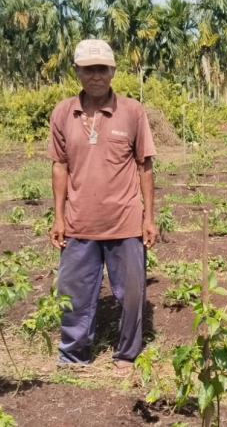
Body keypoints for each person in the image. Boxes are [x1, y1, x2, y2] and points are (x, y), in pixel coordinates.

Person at [48, 38, 158, 375]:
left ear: (112, 72)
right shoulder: (63, 112)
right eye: (88, 69)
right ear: (77, 72)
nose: (95, 75)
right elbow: (59, 166)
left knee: (132, 294)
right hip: (79, 220)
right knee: (73, 293)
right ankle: (74, 354)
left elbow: (145, 166)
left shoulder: (132, 112)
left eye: (102, 69)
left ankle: (126, 354)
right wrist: (58, 217)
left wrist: (149, 219)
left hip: (124, 220)